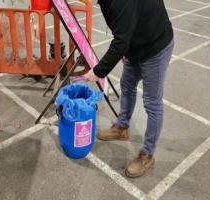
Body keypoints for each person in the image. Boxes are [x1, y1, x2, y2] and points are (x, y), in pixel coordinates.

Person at [84, 0, 174, 178]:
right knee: (126, 84)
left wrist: (98, 71)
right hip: (135, 43)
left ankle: (147, 154)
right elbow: (123, 25)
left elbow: (121, 39)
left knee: (152, 102)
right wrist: (126, 50)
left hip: (155, 47)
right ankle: (122, 127)